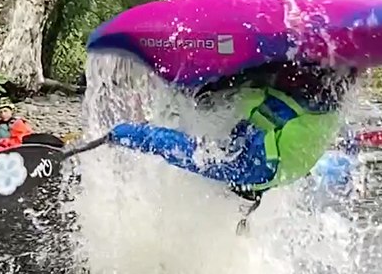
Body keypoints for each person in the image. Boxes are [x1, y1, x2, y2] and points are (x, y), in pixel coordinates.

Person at [99, 62, 354, 228]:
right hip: (313, 96)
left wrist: (126, 134)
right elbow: (182, 149)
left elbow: (184, 151)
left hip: (313, 97)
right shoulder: (256, 168)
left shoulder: (248, 169)